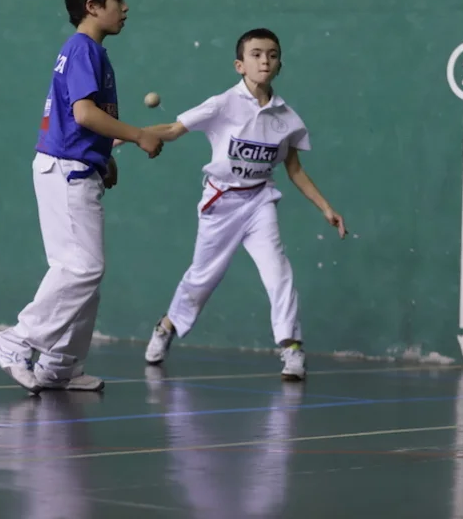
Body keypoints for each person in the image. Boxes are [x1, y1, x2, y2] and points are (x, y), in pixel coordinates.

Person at [0, 0, 164, 394]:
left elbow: (82, 120)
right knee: (82, 269)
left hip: (75, 166)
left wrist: (104, 157)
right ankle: (16, 341)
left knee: (85, 276)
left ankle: (60, 365)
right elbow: (84, 113)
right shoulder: (84, 49)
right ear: (92, 6)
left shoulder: (88, 51)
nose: (125, 8)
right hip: (66, 171)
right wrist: (138, 135)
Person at [140, 28, 347, 380]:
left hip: (259, 201)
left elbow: (294, 169)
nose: (264, 60)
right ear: (240, 65)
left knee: (278, 272)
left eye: (272, 55)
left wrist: (325, 207)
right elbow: (174, 130)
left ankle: (291, 348)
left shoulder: (287, 118)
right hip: (221, 203)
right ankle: (166, 326)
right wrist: (130, 135)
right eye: (256, 54)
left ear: (279, 65)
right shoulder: (223, 104)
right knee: (202, 278)